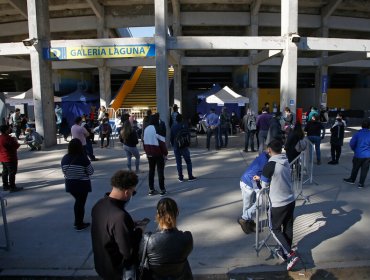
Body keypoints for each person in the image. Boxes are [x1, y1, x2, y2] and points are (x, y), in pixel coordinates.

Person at [91, 170, 147, 280]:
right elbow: (127, 251)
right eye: (133, 192)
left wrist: (129, 224)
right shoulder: (120, 216)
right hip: (116, 271)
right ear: (127, 192)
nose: (132, 194)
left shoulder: (99, 205)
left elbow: (107, 228)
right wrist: (140, 230)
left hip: (101, 264)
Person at [259, 140, 299, 271]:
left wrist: (259, 180)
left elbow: (264, 186)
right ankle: (285, 251)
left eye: (267, 149)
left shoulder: (270, 165)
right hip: (290, 200)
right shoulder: (285, 160)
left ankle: (290, 254)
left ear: (269, 150)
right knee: (288, 226)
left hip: (278, 203)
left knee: (274, 229)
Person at [139, 198, 193, 280]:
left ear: (158, 214)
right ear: (177, 213)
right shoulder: (187, 238)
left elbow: (138, 259)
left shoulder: (148, 239)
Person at [61, 138, 94, 231]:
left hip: (70, 184)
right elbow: (91, 172)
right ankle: (78, 223)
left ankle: (78, 222)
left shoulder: (65, 158)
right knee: (80, 204)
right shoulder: (83, 158)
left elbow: (64, 170)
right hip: (82, 184)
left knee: (78, 202)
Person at [237, 151, 269, 234]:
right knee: (250, 205)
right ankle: (245, 220)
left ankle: (246, 220)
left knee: (256, 203)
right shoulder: (265, 159)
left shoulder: (266, 156)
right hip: (248, 183)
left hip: (254, 182)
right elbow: (266, 175)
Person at [143, 113, 168, 196]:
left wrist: (146, 151)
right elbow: (162, 143)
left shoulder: (146, 129)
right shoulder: (158, 129)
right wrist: (165, 153)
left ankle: (151, 189)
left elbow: (144, 141)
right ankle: (162, 189)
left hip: (149, 153)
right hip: (158, 153)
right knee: (160, 171)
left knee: (151, 171)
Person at [343, 119, 370, 189]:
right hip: (367, 155)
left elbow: (352, 143)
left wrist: (355, 150)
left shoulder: (357, 134)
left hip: (358, 154)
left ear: (362, 126)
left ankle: (352, 179)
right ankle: (361, 183)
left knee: (355, 168)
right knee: (364, 170)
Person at [170, 113, 197, 182]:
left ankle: (180, 177)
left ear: (176, 120)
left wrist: (173, 145)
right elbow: (188, 135)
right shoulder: (185, 125)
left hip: (177, 146)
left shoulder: (173, 126)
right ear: (182, 119)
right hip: (184, 146)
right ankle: (190, 176)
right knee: (188, 161)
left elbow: (171, 138)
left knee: (179, 163)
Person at [0, 125, 22, 192]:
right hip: (10, 158)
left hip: (2, 158)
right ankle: (12, 187)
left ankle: (5, 186)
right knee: (12, 173)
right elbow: (16, 146)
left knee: (5, 172)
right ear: (6, 130)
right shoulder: (9, 138)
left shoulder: (0, 137)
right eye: (9, 129)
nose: (10, 129)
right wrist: (15, 141)